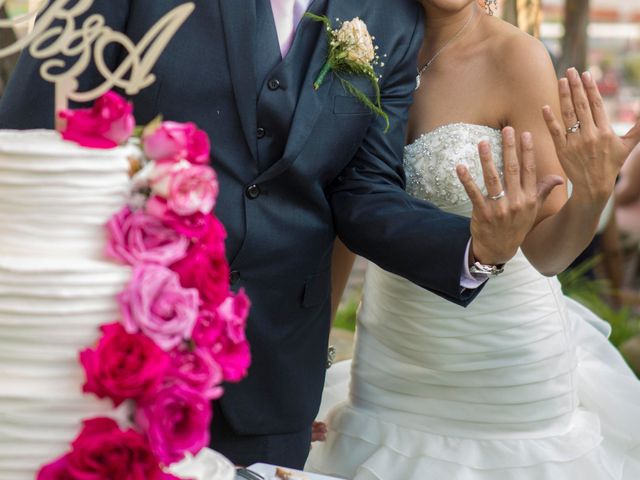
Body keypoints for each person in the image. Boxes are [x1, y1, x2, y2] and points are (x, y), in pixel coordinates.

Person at [0, 0, 628, 471]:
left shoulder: (386, 19)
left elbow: (359, 189)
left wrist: (477, 250)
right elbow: (35, 135)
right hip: (118, 342)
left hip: (276, 368)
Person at [306, 1, 640, 478]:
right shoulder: (356, 47)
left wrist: (591, 195)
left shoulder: (516, 57)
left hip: (503, 369)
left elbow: (548, 254)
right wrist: (311, 362)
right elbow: (347, 217)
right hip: (389, 365)